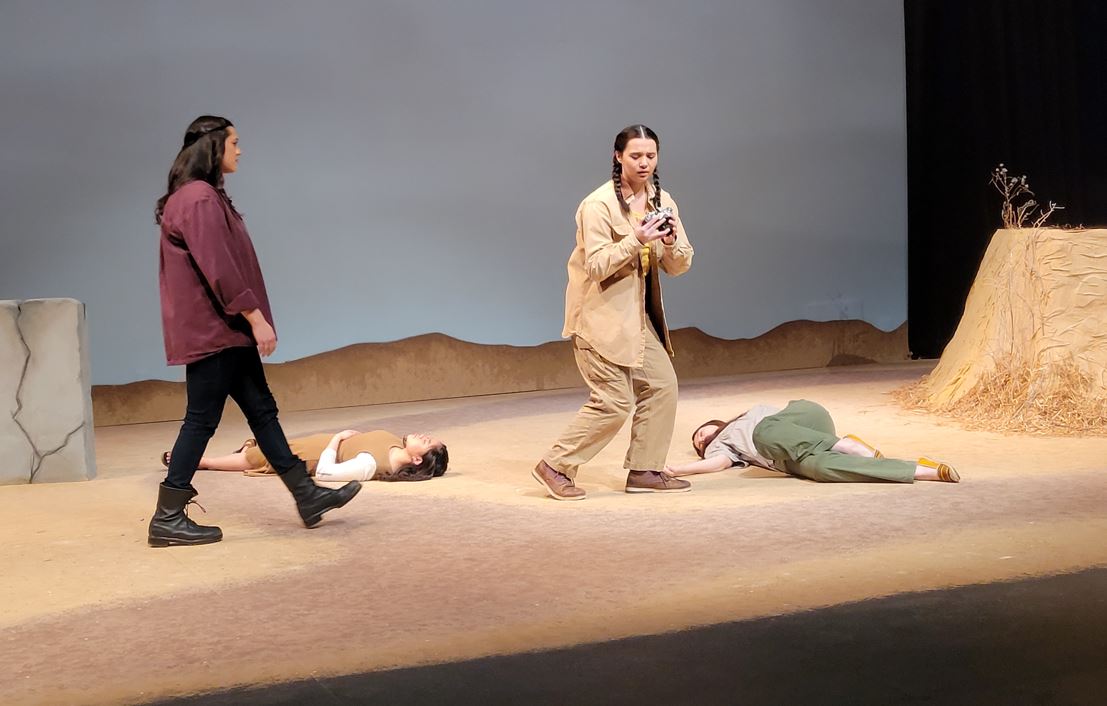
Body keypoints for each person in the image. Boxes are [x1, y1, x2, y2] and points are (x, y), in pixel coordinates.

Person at [149, 115, 361, 547]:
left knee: (262, 411)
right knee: (201, 419)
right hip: (217, 330)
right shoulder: (199, 199)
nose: (240, 151)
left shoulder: (199, 197)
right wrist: (255, 317)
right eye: (235, 143)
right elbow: (220, 268)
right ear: (213, 147)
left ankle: (306, 496)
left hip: (226, 329)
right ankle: (167, 516)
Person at [532, 124, 695, 500]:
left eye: (650, 156)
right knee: (614, 401)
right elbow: (597, 265)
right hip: (599, 319)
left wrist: (669, 243)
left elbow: (680, 264)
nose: (644, 163)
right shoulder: (599, 205)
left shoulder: (661, 199)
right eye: (635, 156)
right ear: (618, 156)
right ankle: (555, 465)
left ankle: (645, 470)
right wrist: (636, 239)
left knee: (662, 385)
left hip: (637, 322)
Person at [667, 399, 961, 483]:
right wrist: (677, 470)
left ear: (715, 424)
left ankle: (844, 444)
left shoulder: (751, 415)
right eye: (699, 441)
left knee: (762, 433)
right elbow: (716, 464)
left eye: (703, 431)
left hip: (807, 418)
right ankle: (919, 470)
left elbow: (796, 415)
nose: (702, 437)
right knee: (820, 469)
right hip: (791, 457)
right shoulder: (724, 447)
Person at [163, 430, 449, 482]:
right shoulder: (392, 442)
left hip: (314, 454)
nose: (424, 436)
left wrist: (336, 439)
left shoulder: (372, 464)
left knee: (259, 457)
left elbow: (326, 473)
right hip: (318, 442)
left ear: (416, 460)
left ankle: (197, 461)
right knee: (261, 447)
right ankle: (199, 459)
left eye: (427, 443)